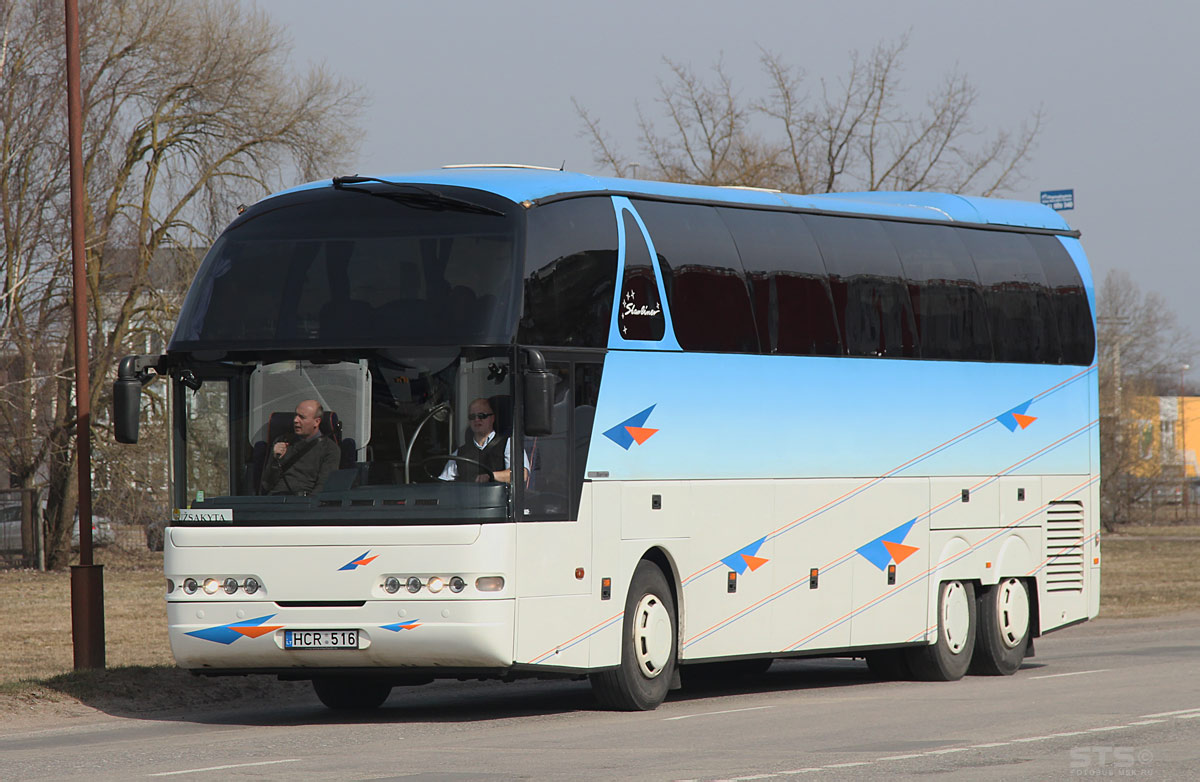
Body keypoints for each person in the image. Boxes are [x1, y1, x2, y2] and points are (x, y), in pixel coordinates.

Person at [259, 399, 340, 495]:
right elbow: (266, 484)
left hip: (303, 501)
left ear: (316, 422)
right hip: (275, 498)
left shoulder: (329, 448)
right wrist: (275, 461)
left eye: (302, 417)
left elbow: (323, 487)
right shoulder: (282, 441)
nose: (295, 420)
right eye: (295, 416)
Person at [439, 397, 528, 483]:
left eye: (482, 416)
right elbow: (443, 483)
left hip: (500, 497)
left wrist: (491, 476)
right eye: (472, 416)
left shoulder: (509, 444)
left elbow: (522, 474)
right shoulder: (460, 453)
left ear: (492, 418)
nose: (477, 420)